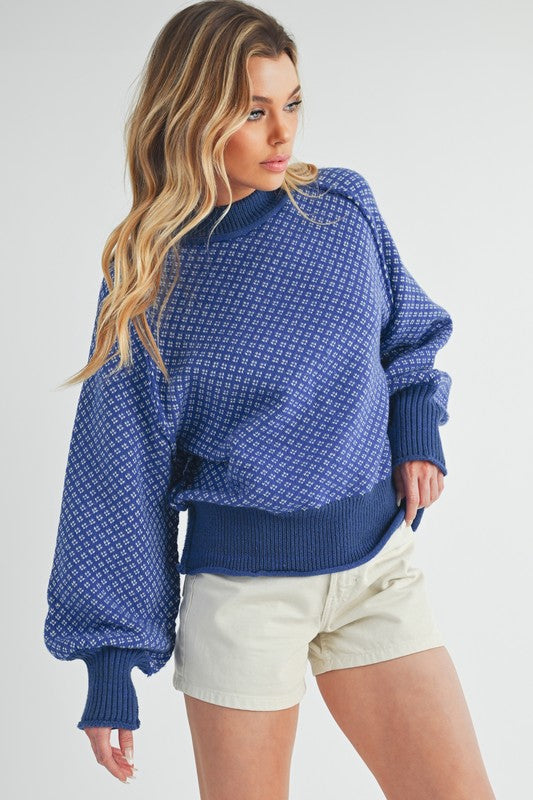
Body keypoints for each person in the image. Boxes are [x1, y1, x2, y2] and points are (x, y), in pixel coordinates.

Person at [43, 2, 496, 798]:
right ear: (190, 113)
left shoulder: (340, 207)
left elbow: (406, 335)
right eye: (253, 111)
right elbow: (117, 474)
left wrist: (416, 430)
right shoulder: (149, 277)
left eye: (291, 103)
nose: (283, 133)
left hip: (376, 568)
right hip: (242, 602)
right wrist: (110, 662)